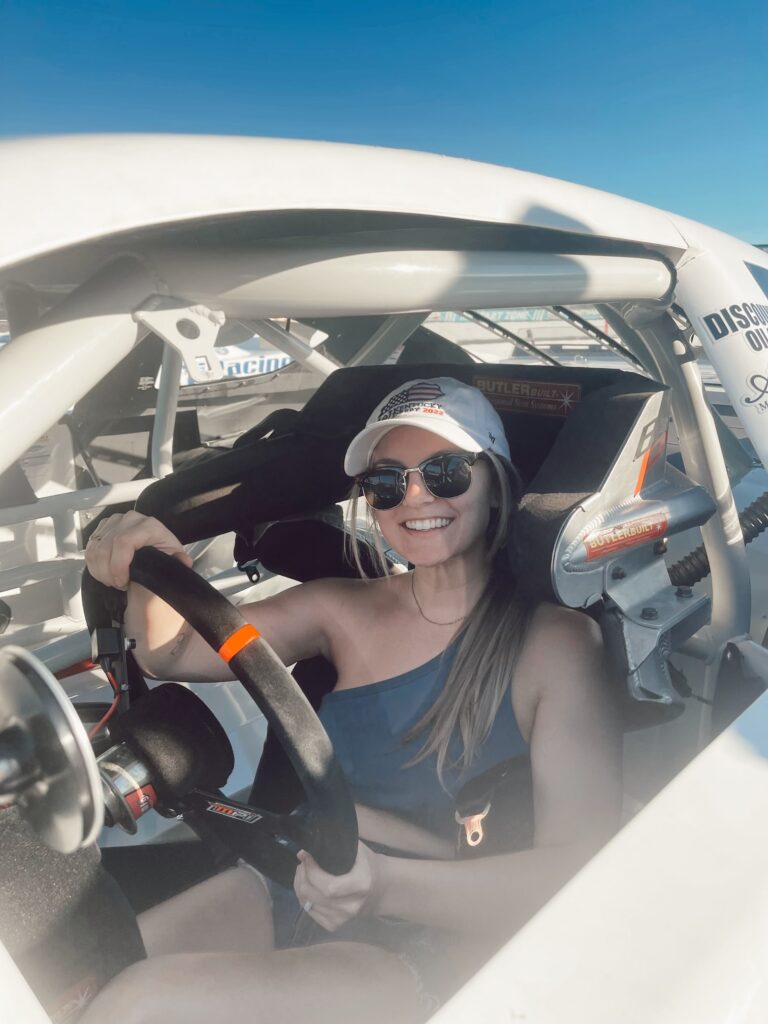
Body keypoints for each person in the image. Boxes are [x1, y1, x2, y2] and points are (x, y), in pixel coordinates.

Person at [80, 377, 622, 1024]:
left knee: (138, 1006)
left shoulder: (555, 644)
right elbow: (172, 653)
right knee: (89, 975)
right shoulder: (338, 607)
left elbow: (579, 874)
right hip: (300, 877)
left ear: (496, 482)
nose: (415, 496)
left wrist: (384, 885)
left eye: (446, 472)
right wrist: (148, 555)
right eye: (387, 482)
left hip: (431, 936)